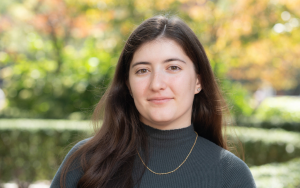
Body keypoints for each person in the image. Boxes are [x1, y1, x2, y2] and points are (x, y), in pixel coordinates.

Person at [50, 15, 256, 188]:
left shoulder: (232, 175)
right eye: (142, 70)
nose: (157, 84)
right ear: (128, 85)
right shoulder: (86, 162)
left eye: (173, 67)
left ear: (198, 81)